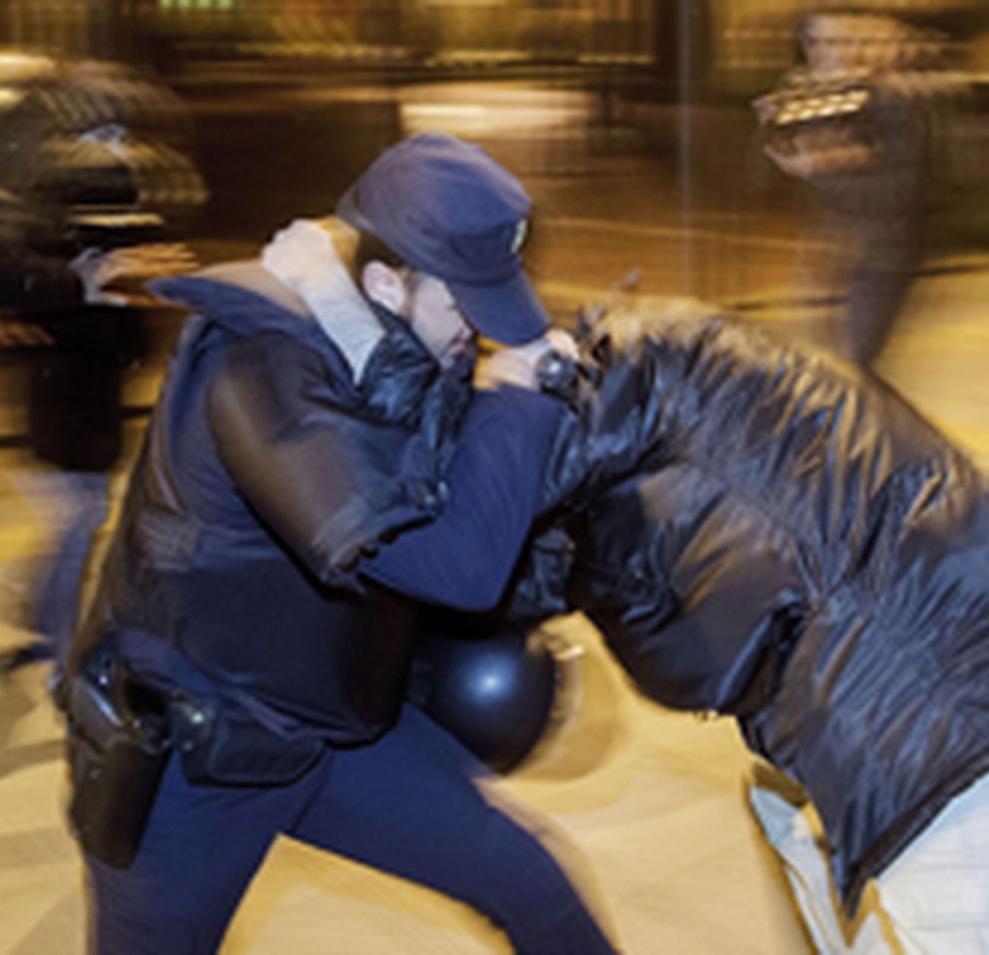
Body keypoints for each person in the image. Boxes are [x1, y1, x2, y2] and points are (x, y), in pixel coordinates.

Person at [67, 132, 617, 954]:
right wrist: (516, 402)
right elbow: (454, 565)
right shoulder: (257, 366)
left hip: (331, 725)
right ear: (387, 282)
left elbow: (438, 461)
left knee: (533, 882)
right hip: (197, 756)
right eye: (464, 304)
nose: (479, 333)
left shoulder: (386, 332)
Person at [508, 298, 989, 953]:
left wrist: (549, 570)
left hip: (936, 733)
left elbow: (696, 669)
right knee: (782, 803)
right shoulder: (666, 345)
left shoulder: (603, 519)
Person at [756, 11, 933, 371]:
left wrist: (823, 165)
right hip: (830, 253)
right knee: (825, 366)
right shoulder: (813, 93)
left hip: (884, 255)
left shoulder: (896, 101)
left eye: (842, 42)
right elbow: (769, 163)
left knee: (854, 367)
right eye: (818, 43)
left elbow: (901, 189)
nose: (830, 53)